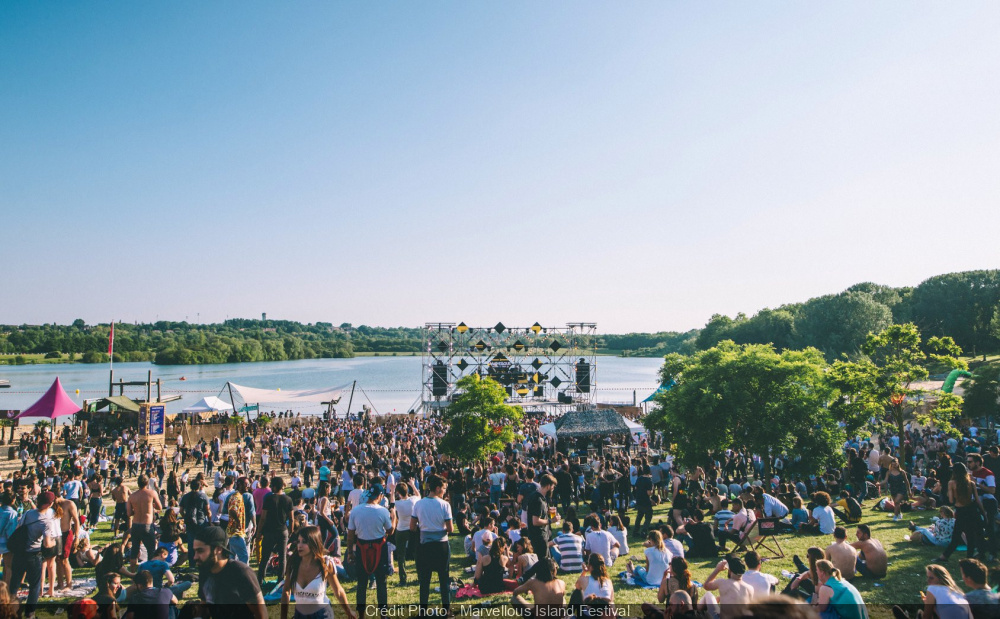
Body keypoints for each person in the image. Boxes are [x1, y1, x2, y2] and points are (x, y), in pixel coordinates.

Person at [279, 526, 355, 619]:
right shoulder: (293, 564)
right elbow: (286, 591)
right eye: (298, 541)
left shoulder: (326, 564)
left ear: (314, 543)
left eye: (304, 542)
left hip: (322, 614)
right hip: (300, 615)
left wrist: (348, 611)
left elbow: (338, 591)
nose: (300, 545)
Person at [192, 526, 266, 619]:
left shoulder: (241, 572)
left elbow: (262, 615)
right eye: (195, 551)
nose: (195, 557)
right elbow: (205, 607)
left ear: (218, 549)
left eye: (200, 551)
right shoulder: (205, 570)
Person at [345, 482, 394, 614]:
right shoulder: (383, 511)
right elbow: (390, 530)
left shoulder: (355, 510)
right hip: (379, 547)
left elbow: (350, 535)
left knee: (362, 584)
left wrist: (350, 552)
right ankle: (383, 614)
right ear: (380, 495)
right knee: (381, 583)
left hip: (362, 547)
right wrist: (393, 518)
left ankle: (361, 614)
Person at [8, 490, 55, 619]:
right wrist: (53, 542)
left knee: (14, 583)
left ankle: (9, 611)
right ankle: (30, 613)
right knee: (34, 586)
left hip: (20, 553)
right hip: (33, 554)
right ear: (49, 504)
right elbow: (46, 543)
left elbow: (19, 528)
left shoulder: (28, 513)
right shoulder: (46, 521)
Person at [411, 474, 453, 612]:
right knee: (443, 578)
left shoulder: (419, 504)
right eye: (444, 488)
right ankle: (446, 610)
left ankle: (423, 610)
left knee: (425, 580)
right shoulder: (445, 505)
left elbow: (412, 527)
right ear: (437, 488)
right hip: (441, 545)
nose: (445, 491)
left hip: (425, 546)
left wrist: (424, 528)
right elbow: (450, 528)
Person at [937, 463, 985, 562]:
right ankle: (970, 556)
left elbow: (950, 500)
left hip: (961, 510)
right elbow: (977, 500)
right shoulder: (971, 483)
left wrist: (948, 493)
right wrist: (983, 513)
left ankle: (945, 556)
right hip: (971, 509)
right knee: (970, 535)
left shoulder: (952, 483)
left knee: (956, 535)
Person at [256, 475, 294, 584]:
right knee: (282, 557)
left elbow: (263, 517)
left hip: (269, 531)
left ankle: (260, 579)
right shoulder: (288, 499)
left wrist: (259, 532)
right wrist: (290, 531)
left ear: (275, 486)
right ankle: (280, 580)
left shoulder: (269, 498)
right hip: (282, 530)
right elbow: (291, 518)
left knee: (265, 556)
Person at [126, 475, 162, 569]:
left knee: (134, 549)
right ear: (147, 483)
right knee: (151, 549)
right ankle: (150, 572)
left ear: (138, 483)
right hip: (147, 524)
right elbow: (159, 507)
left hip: (135, 524)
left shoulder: (132, 496)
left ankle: (132, 572)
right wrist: (150, 506)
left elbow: (129, 513)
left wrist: (137, 510)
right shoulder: (151, 493)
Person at [526, 474, 559, 560]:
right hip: (539, 537)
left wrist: (546, 513)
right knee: (543, 563)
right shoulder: (538, 500)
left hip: (540, 535)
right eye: (552, 487)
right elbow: (535, 521)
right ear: (548, 486)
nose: (553, 489)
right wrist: (551, 520)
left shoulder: (539, 497)